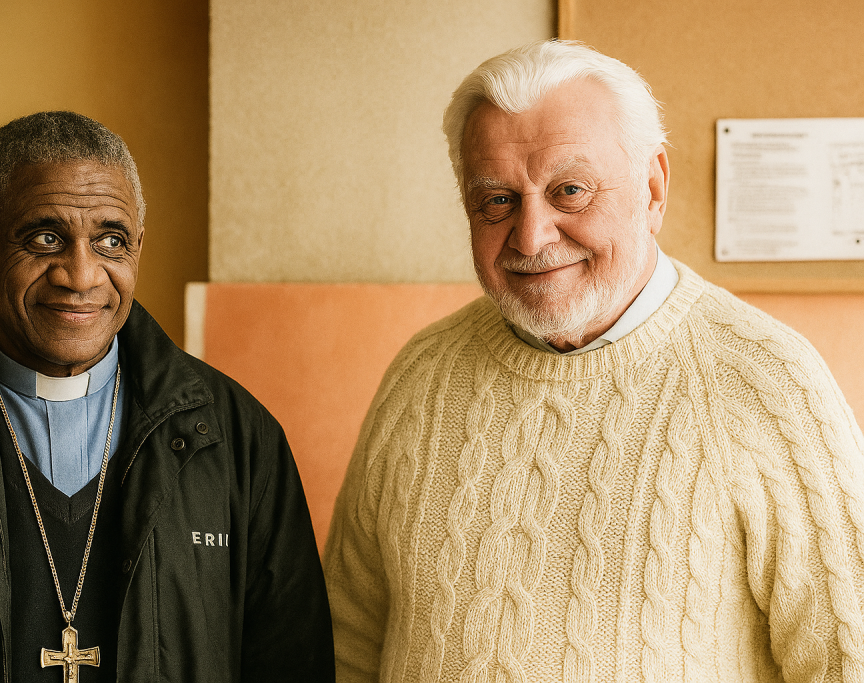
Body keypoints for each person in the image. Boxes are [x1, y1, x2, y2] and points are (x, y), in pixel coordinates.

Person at [324, 40, 864, 682]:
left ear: (654, 187)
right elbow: (345, 641)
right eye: (496, 200)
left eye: (570, 191)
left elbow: (846, 658)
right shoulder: (421, 374)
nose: (531, 236)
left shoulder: (769, 381)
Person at [0, 111, 334, 682]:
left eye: (110, 241)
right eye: (45, 238)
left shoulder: (239, 442)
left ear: (138, 249)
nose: (81, 275)